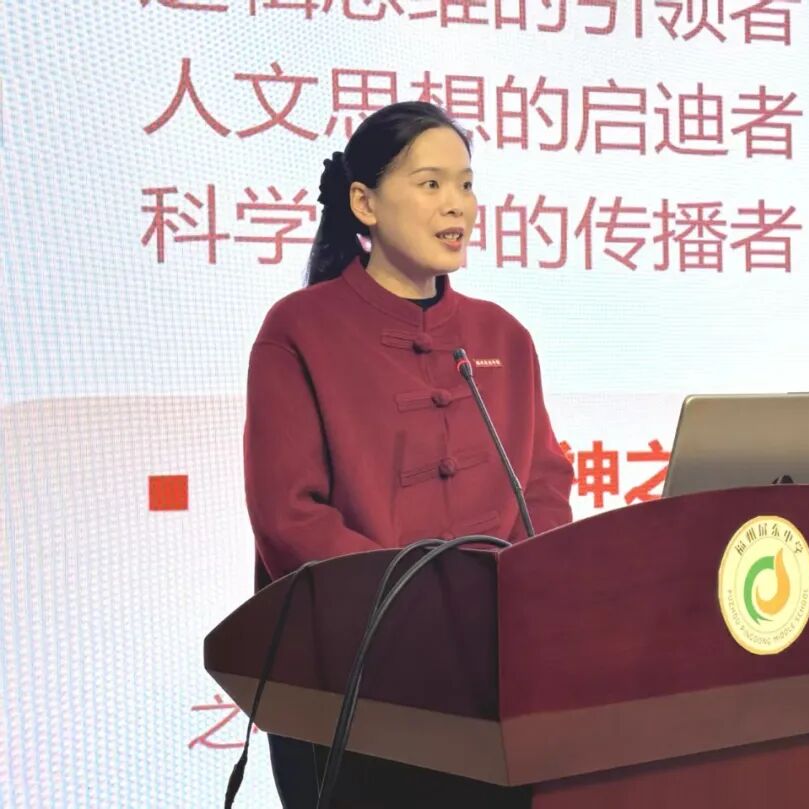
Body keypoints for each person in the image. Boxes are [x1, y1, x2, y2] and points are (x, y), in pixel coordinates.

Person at [242, 101, 574, 807]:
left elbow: (544, 487)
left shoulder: (503, 336)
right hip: (354, 687)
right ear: (365, 203)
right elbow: (289, 518)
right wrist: (417, 610)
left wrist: (530, 596)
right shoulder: (299, 329)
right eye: (431, 184)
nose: (458, 205)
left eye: (466, 184)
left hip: (494, 686)